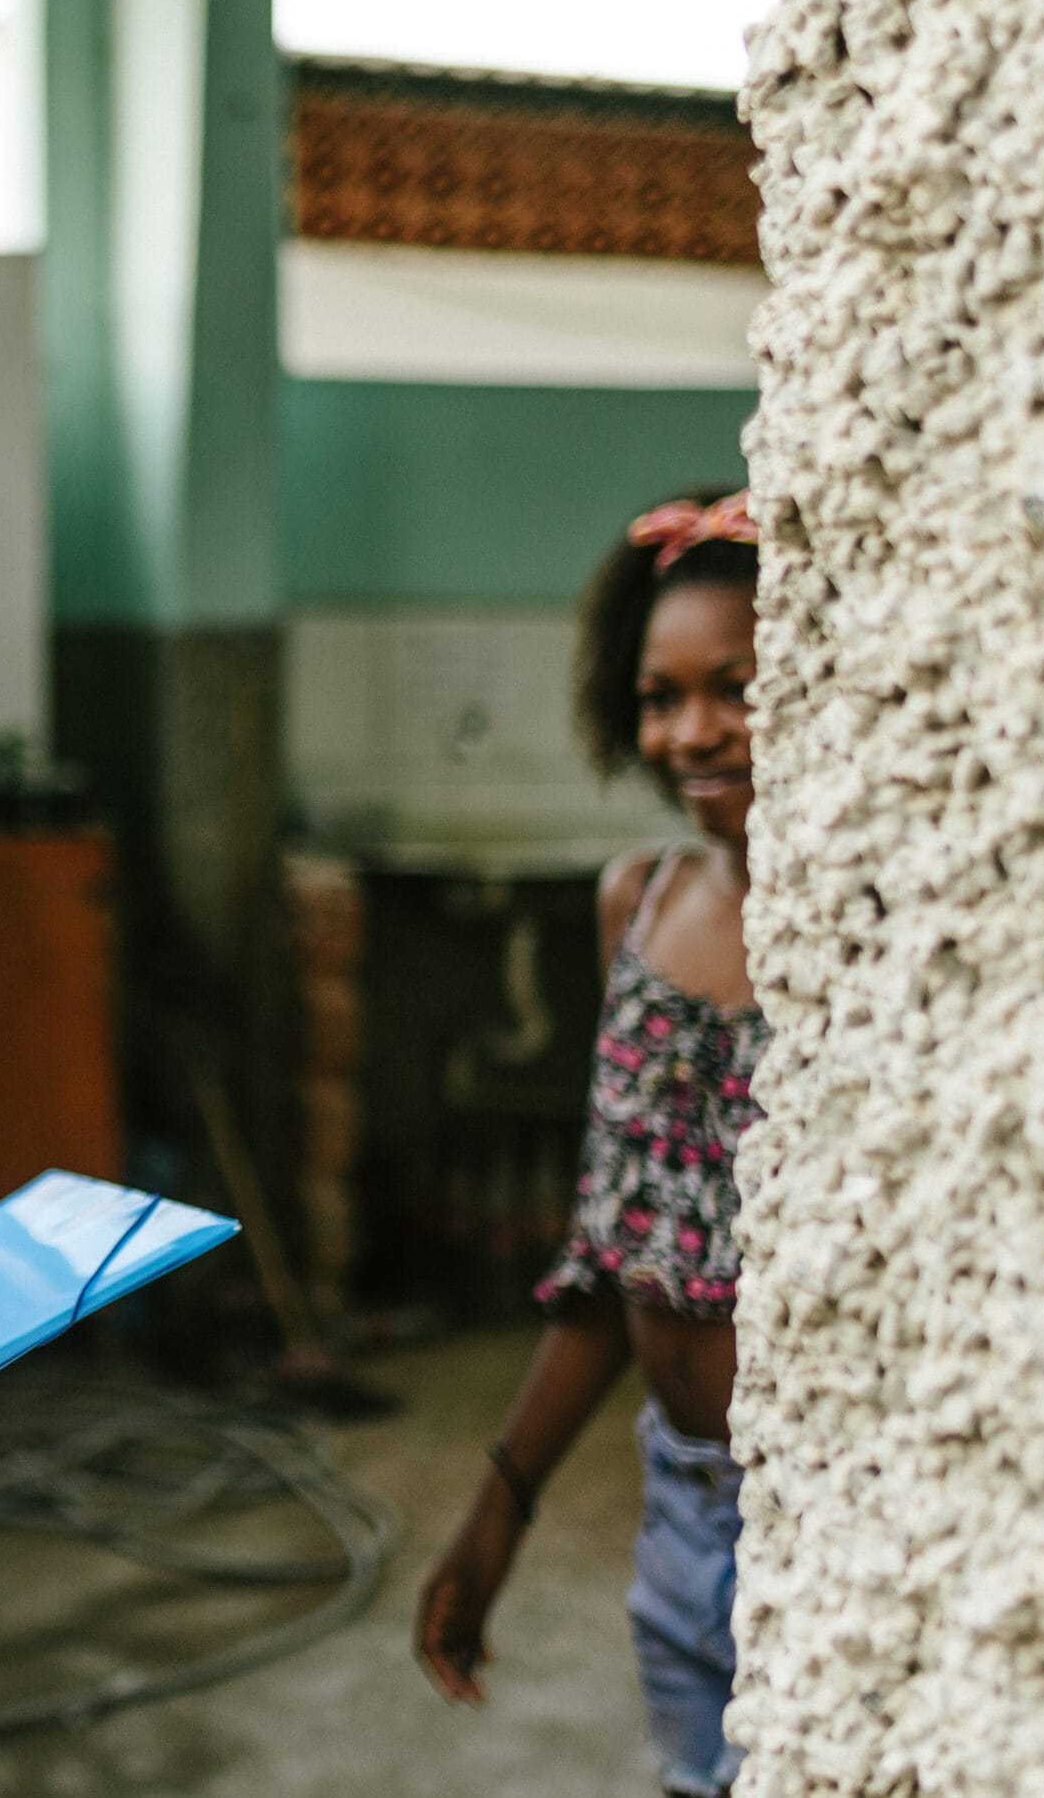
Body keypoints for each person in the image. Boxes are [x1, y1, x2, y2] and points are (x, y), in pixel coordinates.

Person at [414, 489, 764, 1798]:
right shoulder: (640, 900)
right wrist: (500, 1507)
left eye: (735, 686)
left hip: (819, 1505)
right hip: (683, 1504)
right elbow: (614, 1251)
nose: (692, 733)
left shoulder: (865, 921)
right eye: (660, 697)